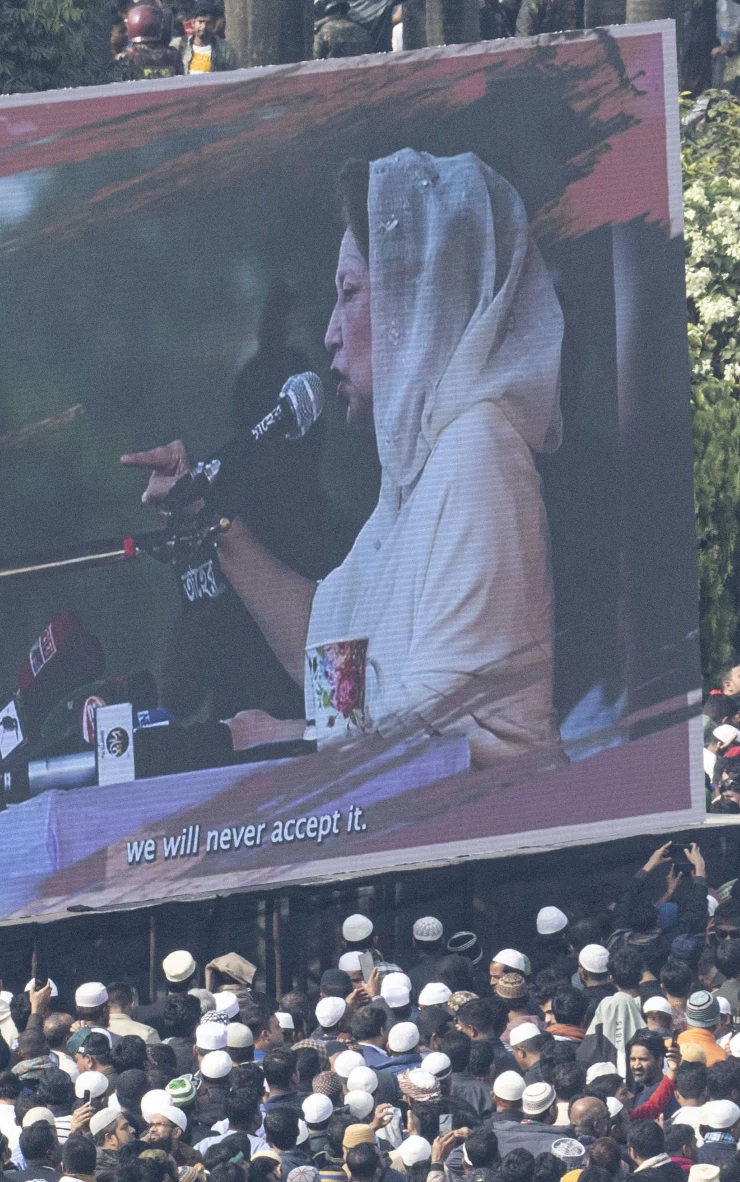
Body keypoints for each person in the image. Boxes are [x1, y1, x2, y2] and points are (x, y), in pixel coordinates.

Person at [122, 149, 561, 765]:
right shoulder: (422, 473)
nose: (330, 333)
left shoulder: (478, 453)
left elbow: (439, 728)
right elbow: (329, 650)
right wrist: (212, 520)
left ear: (417, 300)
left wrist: (282, 736)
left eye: (349, 293)